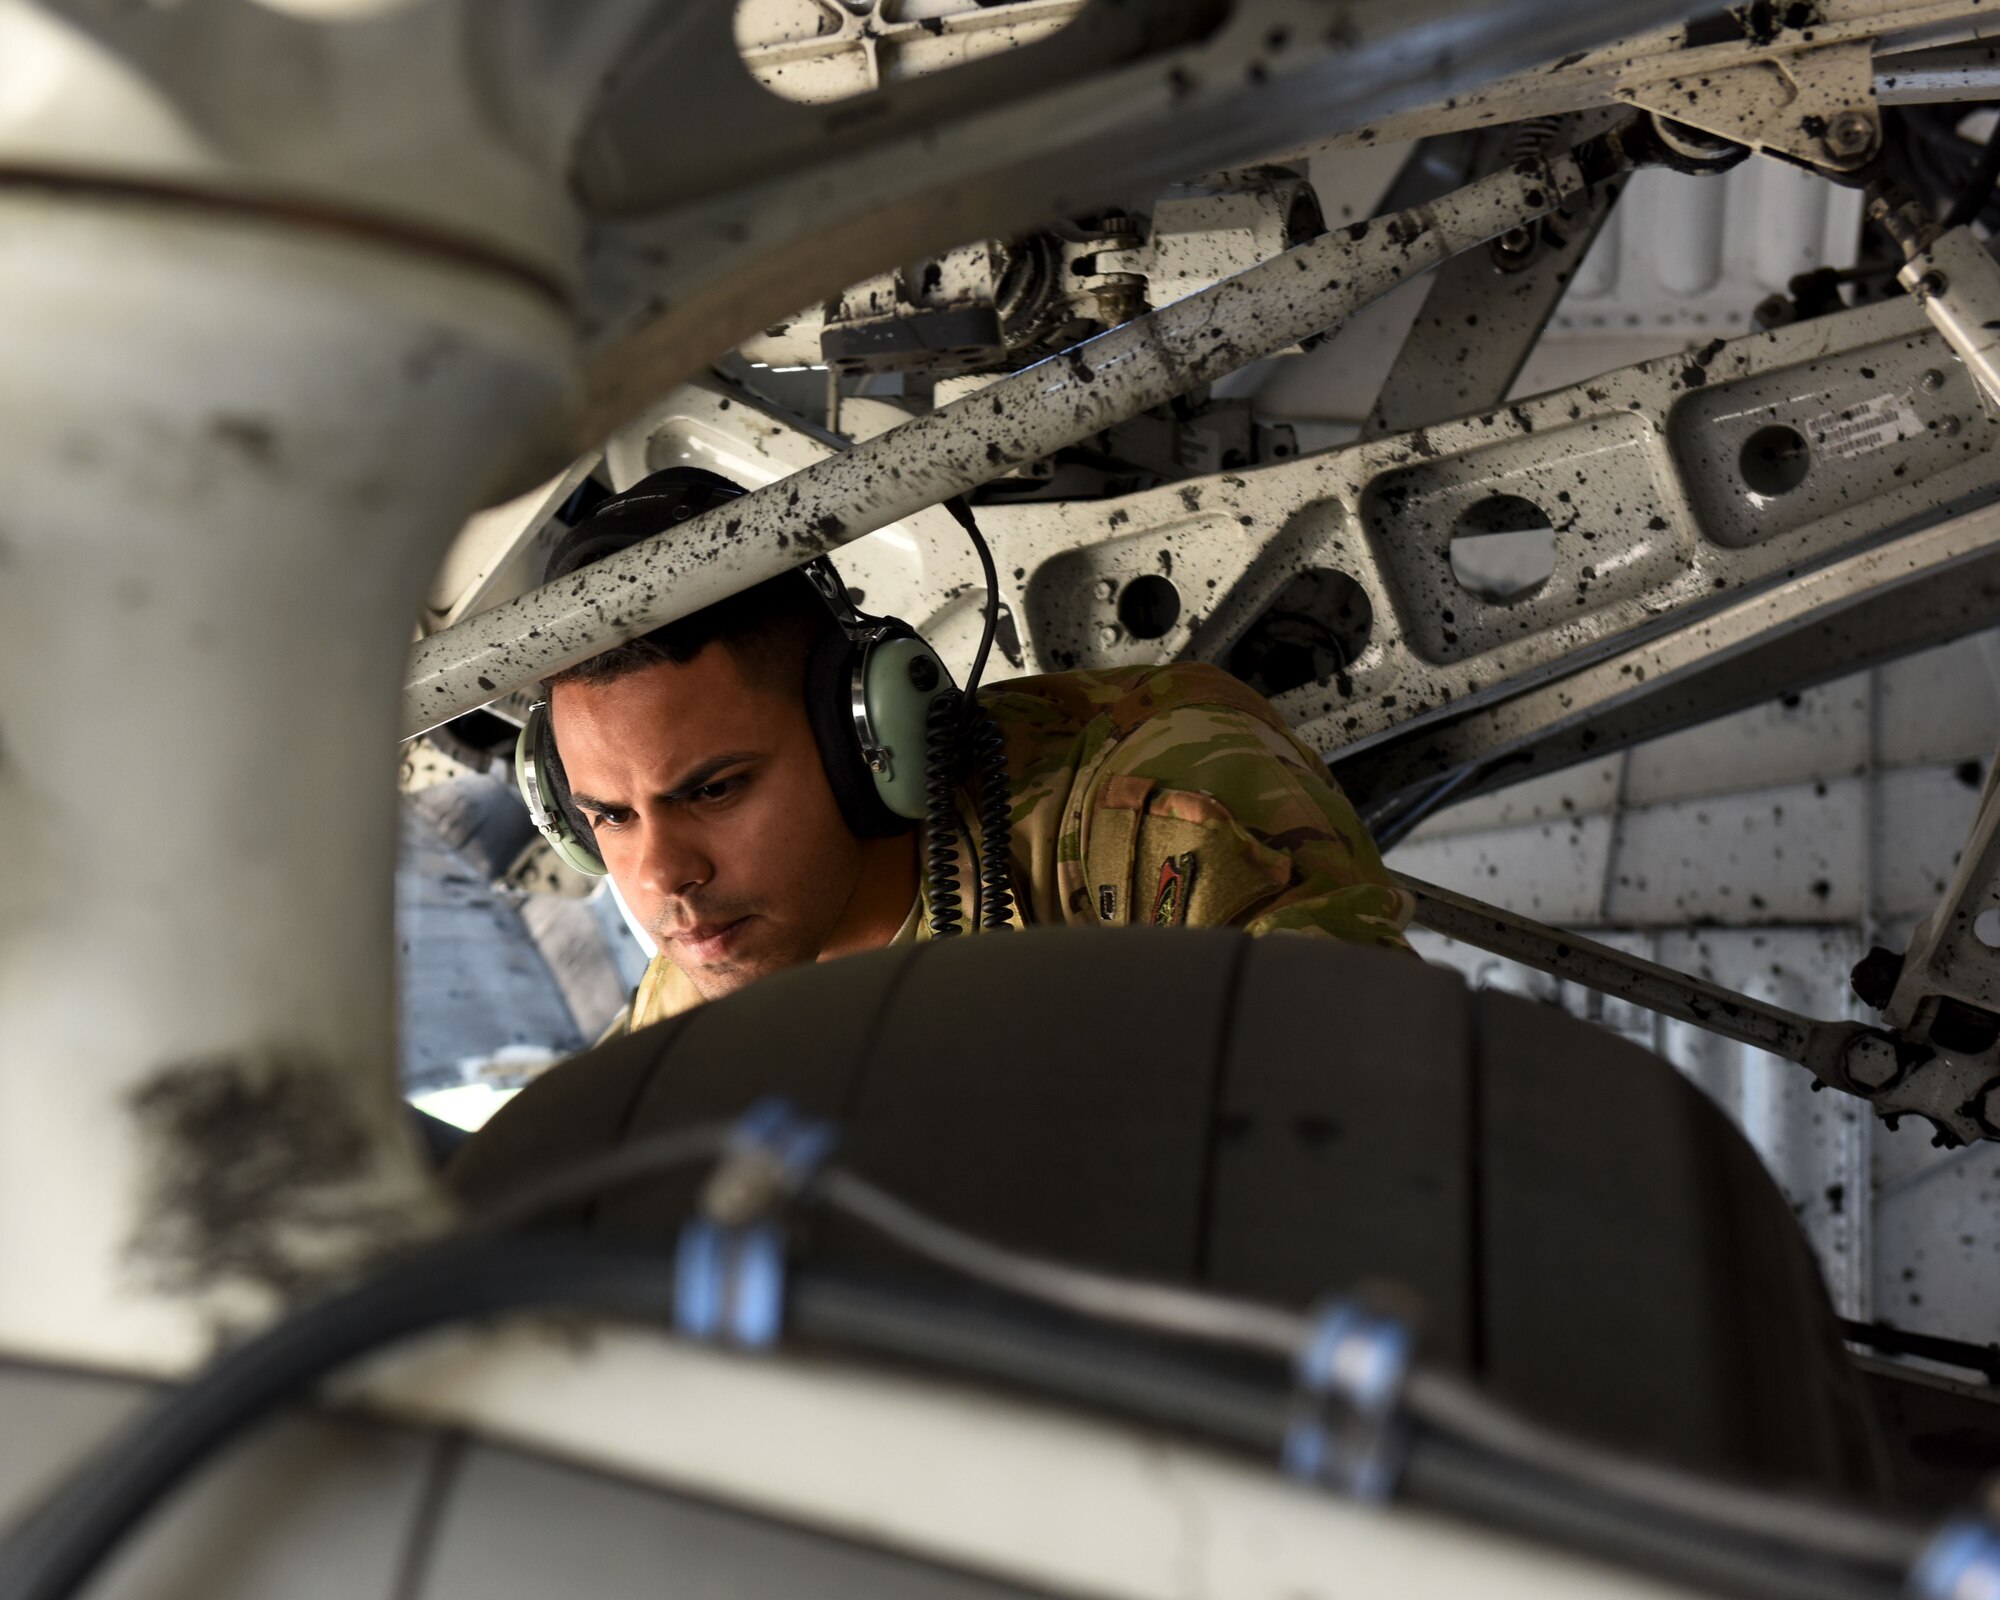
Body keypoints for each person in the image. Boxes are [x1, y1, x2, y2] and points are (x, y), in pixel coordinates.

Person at [533, 468, 1413, 1033]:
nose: (658, 878)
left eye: (715, 791)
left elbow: (1362, 1135)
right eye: (609, 816)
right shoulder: (683, 1010)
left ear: (865, 739)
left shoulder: (1147, 813)